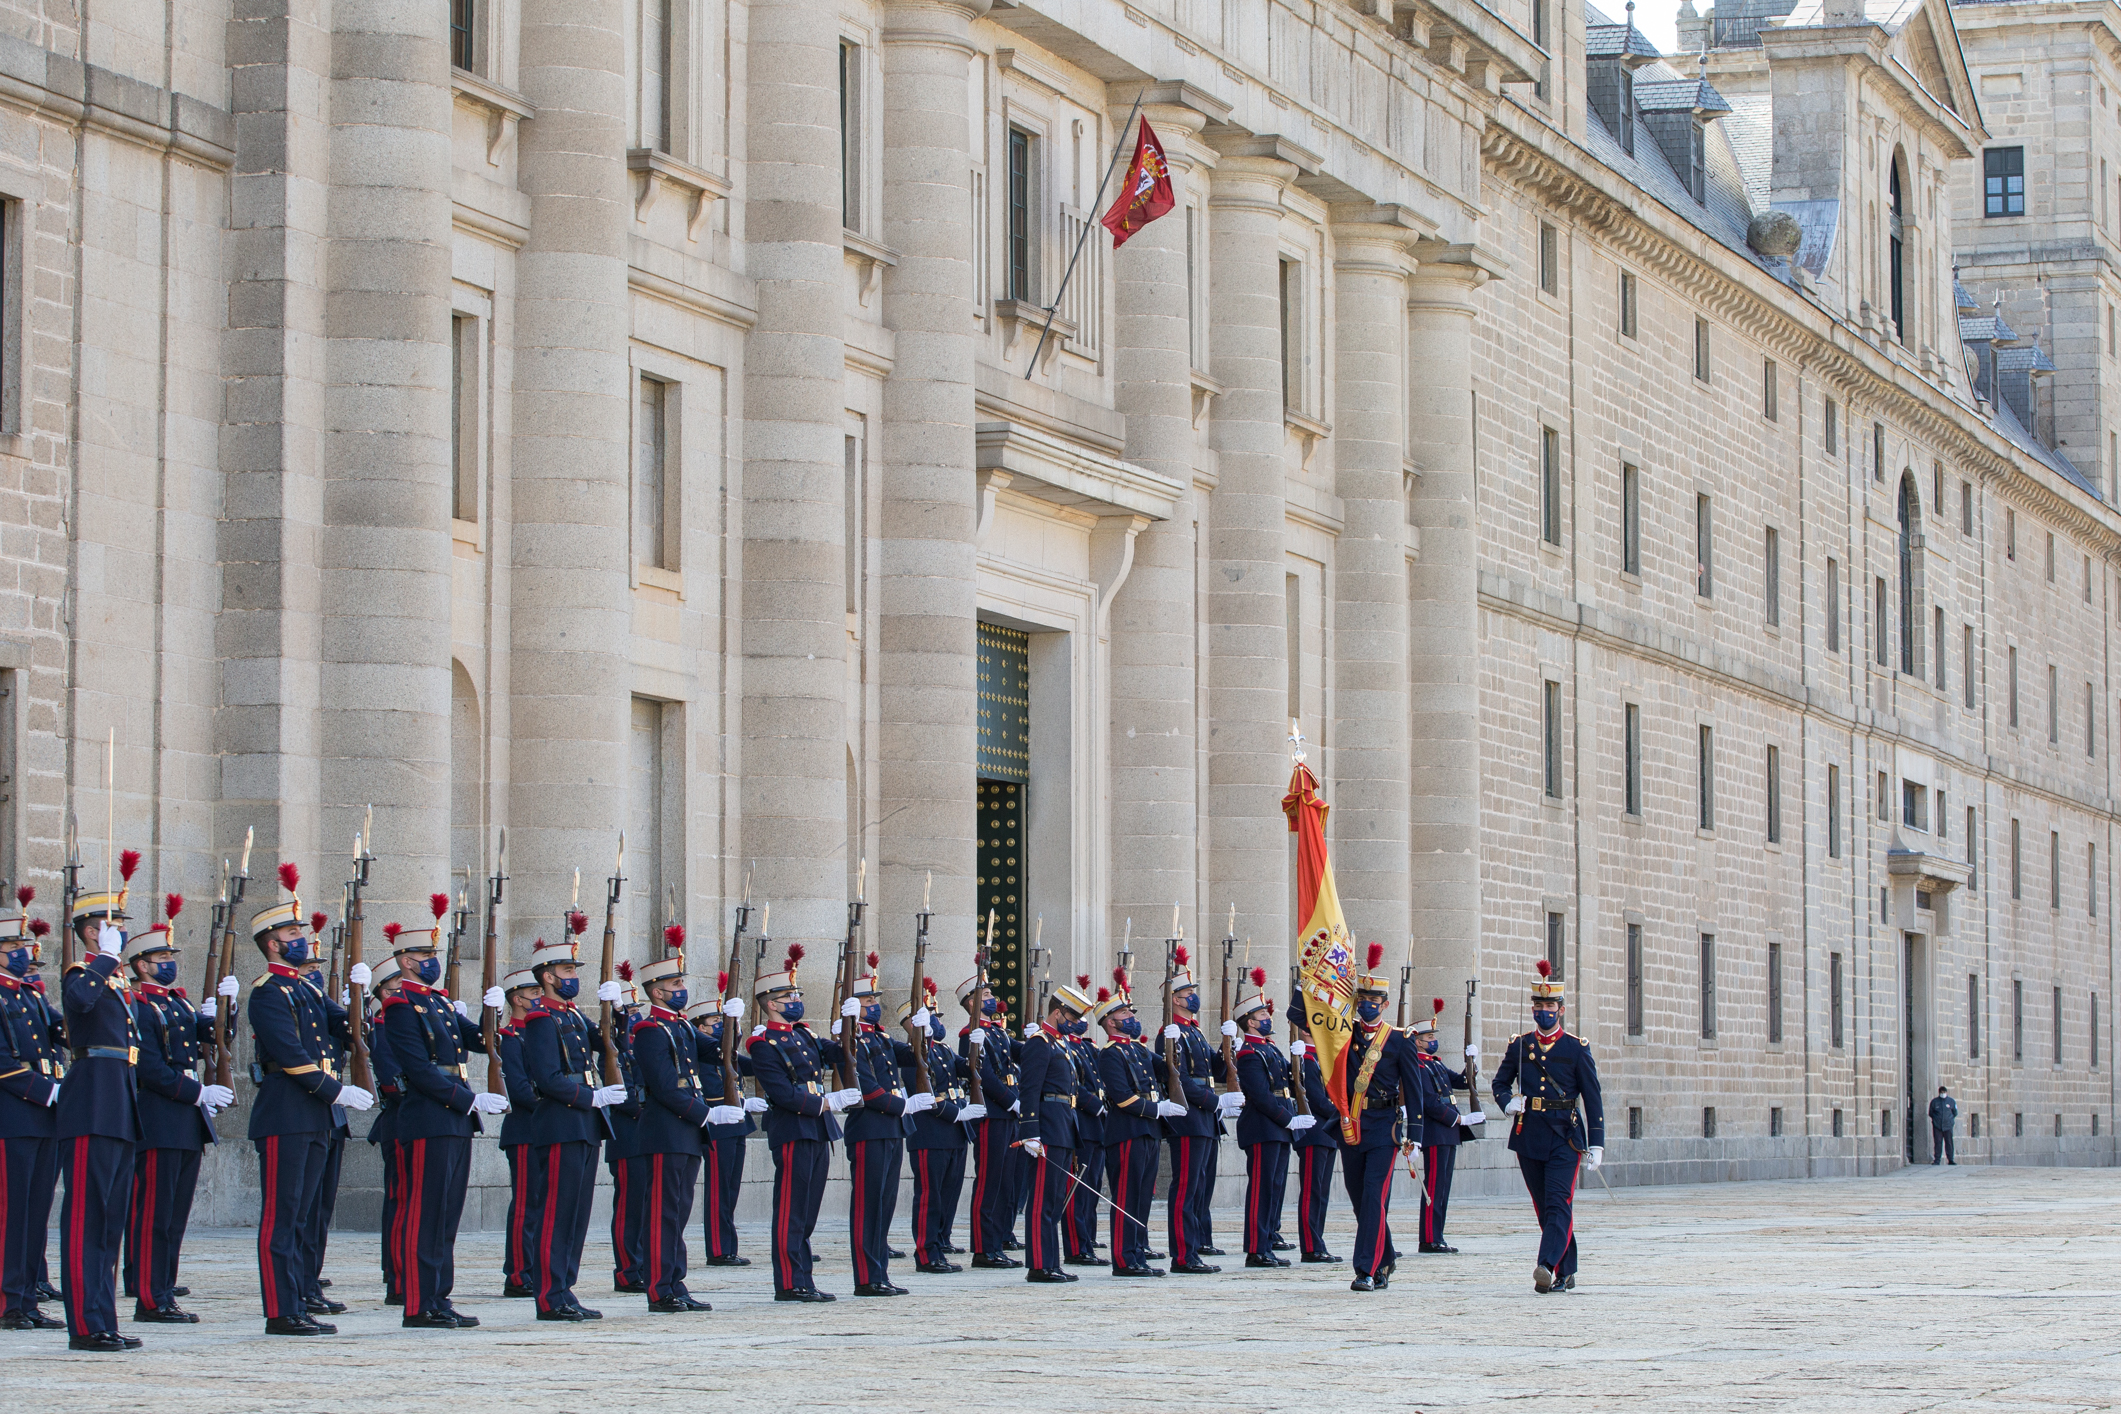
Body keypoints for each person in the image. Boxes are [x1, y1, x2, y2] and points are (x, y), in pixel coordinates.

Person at [248, 865, 374, 1336]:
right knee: (282, 1216)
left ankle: (299, 1295)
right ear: (273, 943)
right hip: (287, 1110)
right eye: (292, 931)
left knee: (304, 1213)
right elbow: (292, 1056)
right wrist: (335, 1090)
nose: (301, 937)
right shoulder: (268, 993)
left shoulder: (306, 988)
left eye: (299, 930)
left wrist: (362, 999)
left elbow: (348, 1031)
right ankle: (281, 1310)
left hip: (317, 1114)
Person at [378, 904, 503, 1329]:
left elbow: (485, 1043)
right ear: (407, 962)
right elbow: (418, 1070)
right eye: (426, 957)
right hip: (429, 1117)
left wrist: (494, 1011)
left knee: (446, 1215)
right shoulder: (400, 1006)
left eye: (435, 956)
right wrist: (468, 1101)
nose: (433, 963)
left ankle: (438, 1296)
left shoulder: (443, 1005)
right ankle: (418, 1302)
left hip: (453, 1120)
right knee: (423, 1213)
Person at [121, 895, 236, 1323]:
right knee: (154, 1215)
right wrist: (196, 1094)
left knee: (174, 1217)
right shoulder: (139, 1005)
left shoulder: (176, 1003)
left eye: (170, 955)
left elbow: (216, 1036)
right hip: (159, 1117)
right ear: (141, 965)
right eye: (161, 957)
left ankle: (164, 1290)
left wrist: (228, 1006)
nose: (168, 962)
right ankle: (150, 1299)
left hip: (185, 1122)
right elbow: (149, 1068)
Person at [56, 872, 149, 1351]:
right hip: (92, 1102)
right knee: (86, 1221)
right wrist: (105, 960)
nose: (120, 931)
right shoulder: (82, 974)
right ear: (91, 930)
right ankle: (85, 1326)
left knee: (111, 1223)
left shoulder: (116, 981)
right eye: (111, 924)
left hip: (119, 1105)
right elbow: (78, 1004)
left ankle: (104, 1318)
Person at [519, 930, 628, 1322]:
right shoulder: (540, 1019)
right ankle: (549, 1294)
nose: (572, 976)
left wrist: (618, 1012)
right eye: (566, 969)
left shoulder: (570, 1015)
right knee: (556, 1212)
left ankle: (565, 1288)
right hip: (561, 1122)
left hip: (584, 1125)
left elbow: (612, 1044)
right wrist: (591, 1097)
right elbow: (547, 1078)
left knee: (577, 1214)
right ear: (547, 976)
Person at [630, 946, 740, 1313]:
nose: (681, 989)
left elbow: (720, 1053)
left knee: (677, 1212)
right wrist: (706, 1115)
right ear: (657, 991)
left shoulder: (680, 1027)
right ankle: (661, 1288)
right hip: (666, 1131)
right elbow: (664, 1087)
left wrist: (733, 1025)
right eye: (675, 983)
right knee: (663, 1212)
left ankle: (676, 1282)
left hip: (685, 1133)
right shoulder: (648, 1029)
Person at [746, 943, 859, 1302]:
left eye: (796, 993)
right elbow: (781, 1093)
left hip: (817, 1128)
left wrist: (850, 1025)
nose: (795, 999)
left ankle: (804, 1278)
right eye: (788, 995)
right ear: (772, 1004)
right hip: (794, 1127)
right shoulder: (762, 1043)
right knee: (791, 1210)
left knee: (808, 1210)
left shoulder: (805, 1034)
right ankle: (790, 1282)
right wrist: (826, 1102)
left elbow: (842, 1055)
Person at [1341, 944, 1452, 1293]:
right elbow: (1302, 1017)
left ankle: (1366, 1270)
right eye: (1363, 999)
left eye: (1375, 1000)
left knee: (1374, 1196)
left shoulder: (1401, 1040)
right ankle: (1385, 1256)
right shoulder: (1343, 1034)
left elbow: (1414, 1088)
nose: (1368, 1004)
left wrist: (1415, 1134)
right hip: (1350, 1125)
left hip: (1383, 1126)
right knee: (1360, 1199)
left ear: (1386, 1004)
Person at [1492, 958, 1604, 1295]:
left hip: (1565, 1137)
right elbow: (1500, 1082)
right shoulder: (1521, 1045)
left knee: (1558, 1203)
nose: (1544, 1011)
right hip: (1530, 1135)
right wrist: (1506, 1101)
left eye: (1550, 1006)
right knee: (1546, 1208)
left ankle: (1546, 1265)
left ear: (1562, 1009)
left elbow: (1593, 1097)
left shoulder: (1575, 1048)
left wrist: (1596, 1143)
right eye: (1538, 1006)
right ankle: (1567, 1270)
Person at [1153, 946, 1240, 1274]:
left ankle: (1194, 1248)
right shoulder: (1170, 1033)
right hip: (1188, 1119)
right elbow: (1179, 1080)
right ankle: (1183, 1255)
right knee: (1186, 1187)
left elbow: (1215, 1072)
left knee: (1199, 1187)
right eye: (1188, 992)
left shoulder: (1194, 1032)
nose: (1193, 997)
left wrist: (1229, 1046)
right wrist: (1215, 1101)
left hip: (1204, 1119)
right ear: (1175, 998)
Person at [841, 959, 924, 1296]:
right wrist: (902, 1105)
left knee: (884, 1206)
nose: (875, 1006)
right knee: (868, 1205)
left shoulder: (880, 1036)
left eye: (875, 1001)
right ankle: (866, 1277)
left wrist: (921, 1032)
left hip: (891, 1129)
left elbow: (913, 1057)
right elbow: (865, 1087)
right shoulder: (850, 1038)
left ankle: (880, 1272)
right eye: (868, 1001)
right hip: (870, 1127)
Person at [0, 906, 66, 1331]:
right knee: (12, 1214)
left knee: (35, 1213)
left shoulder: (30, 994)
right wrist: (48, 1091)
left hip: (44, 1118)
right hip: (13, 1117)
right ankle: (8, 1301)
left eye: (24, 945)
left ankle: (26, 1297)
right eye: (14, 946)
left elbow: (65, 1032)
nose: (24, 952)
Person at [1094, 976, 1178, 1277]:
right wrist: (1157, 1108)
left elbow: (1169, 1069)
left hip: (1149, 1131)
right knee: (1127, 1196)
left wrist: (1172, 1040)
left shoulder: (1139, 1051)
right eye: (1126, 1015)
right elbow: (1122, 1097)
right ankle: (1123, 1258)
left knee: (1143, 1195)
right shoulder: (1109, 1055)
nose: (1132, 1018)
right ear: (1111, 1022)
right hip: (1128, 1129)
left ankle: (1137, 1252)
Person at [1232, 975, 1315, 1267]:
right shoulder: (1250, 1052)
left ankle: (1266, 1243)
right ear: (1250, 1022)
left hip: (1279, 1127)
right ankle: (1255, 1249)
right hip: (1264, 1127)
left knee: (1275, 1187)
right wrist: (1287, 1119)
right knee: (1261, 1189)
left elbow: (1288, 1084)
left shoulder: (1270, 1048)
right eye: (1263, 1015)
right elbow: (1259, 1094)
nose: (1268, 1018)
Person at [897, 977, 979, 1274]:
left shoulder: (942, 1050)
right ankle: (926, 1252)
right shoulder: (911, 1054)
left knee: (948, 1193)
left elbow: (968, 1069)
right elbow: (924, 1095)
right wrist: (955, 1114)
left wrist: (975, 1043)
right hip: (931, 1133)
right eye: (931, 1017)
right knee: (930, 1196)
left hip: (956, 1132)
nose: (937, 1022)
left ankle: (940, 1242)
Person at [1016, 982, 1092, 1284]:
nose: (1074, 1024)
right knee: (1042, 1200)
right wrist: (1029, 1132)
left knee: (1055, 1199)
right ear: (1058, 1013)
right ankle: (1039, 1264)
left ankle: (1051, 1261)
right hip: (1047, 1127)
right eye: (1071, 1019)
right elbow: (1030, 1089)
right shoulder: (1039, 1042)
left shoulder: (1060, 1044)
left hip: (1063, 1125)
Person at [687, 975, 762, 1268]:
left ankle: (728, 1245)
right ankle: (719, 1249)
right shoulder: (701, 1055)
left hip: (737, 1124)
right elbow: (713, 1092)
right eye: (714, 1023)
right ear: (699, 1028)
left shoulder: (724, 1055)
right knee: (719, 1189)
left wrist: (758, 1041)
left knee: (730, 1188)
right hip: (716, 1125)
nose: (719, 1026)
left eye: (722, 1021)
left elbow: (754, 1066)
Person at [1410, 998, 1485, 1254]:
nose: (1432, 1040)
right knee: (1434, 1186)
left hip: (1448, 1133)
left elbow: (1463, 1082)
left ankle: (1437, 1235)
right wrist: (1460, 1119)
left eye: (1433, 1035)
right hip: (1435, 1130)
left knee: (1443, 1186)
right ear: (1417, 1040)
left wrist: (1471, 1062)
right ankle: (1429, 1238)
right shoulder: (1418, 1066)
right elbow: (1429, 1102)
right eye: (1428, 1036)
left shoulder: (1436, 1063)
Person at [957, 972, 1020, 1269]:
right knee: (989, 1181)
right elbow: (982, 1077)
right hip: (991, 1114)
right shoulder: (970, 1035)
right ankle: (983, 1248)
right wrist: (1011, 1100)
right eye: (986, 995)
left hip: (1006, 1113)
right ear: (971, 1004)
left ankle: (997, 1243)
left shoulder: (997, 1032)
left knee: (1005, 1181)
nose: (993, 998)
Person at [494, 968, 541, 1297]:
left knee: (543, 1204)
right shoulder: (510, 1037)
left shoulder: (541, 1032)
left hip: (546, 1128)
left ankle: (536, 1267)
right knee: (526, 1204)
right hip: (525, 1129)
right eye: (533, 993)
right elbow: (520, 1090)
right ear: (517, 998)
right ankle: (518, 1273)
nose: (539, 998)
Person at [1286, 1005, 1343, 1264]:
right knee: (1312, 1190)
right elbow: (1317, 1098)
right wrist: (1341, 1112)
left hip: (1327, 1133)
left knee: (1321, 1192)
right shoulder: (1304, 1059)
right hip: (1314, 1131)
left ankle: (1317, 1241)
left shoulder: (1320, 1057)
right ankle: (1310, 1246)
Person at [365, 956, 407, 1305]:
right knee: (400, 1200)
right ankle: (396, 1274)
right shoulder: (380, 1027)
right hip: (399, 1120)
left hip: (421, 1117)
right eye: (394, 988)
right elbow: (392, 1080)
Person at [603, 966, 647, 1295]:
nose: (634, 1019)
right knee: (630, 1208)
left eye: (635, 1013)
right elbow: (622, 1094)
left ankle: (645, 1263)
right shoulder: (614, 1050)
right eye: (629, 1013)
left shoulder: (641, 1047)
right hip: (629, 1134)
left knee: (647, 1207)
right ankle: (627, 1270)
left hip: (647, 1134)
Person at [1059, 973, 1107, 1267]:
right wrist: (1095, 1105)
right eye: (1077, 1015)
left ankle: (1087, 1240)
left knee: (1092, 1189)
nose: (1082, 1020)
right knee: (1078, 1190)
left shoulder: (1087, 1047)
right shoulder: (1064, 1047)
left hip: (1097, 1126)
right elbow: (1071, 1086)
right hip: (1080, 1121)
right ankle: (1076, 1247)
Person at [1929, 1086, 1959, 1165]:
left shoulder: (1951, 1101)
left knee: (1949, 1142)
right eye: (1941, 1093)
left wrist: (1950, 1120)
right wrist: (1936, 1120)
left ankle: (1950, 1159)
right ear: (1939, 1093)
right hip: (1937, 1126)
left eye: (1944, 1092)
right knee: (1938, 1142)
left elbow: (1955, 1112)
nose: (1943, 1094)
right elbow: (1931, 1113)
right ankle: (1937, 1159)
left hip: (1948, 1126)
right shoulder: (1934, 1102)